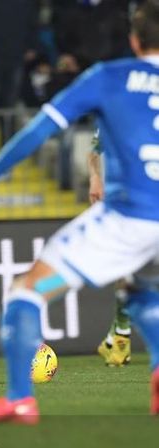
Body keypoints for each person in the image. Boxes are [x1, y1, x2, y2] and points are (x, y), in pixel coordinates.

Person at [0, 0, 159, 425]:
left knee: (28, 293)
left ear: (133, 38)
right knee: (145, 291)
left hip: (129, 221)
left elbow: (43, 127)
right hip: (148, 236)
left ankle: (19, 399)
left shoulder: (110, 78)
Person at [88, 131, 132, 367]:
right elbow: (96, 148)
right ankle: (121, 337)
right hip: (127, 200)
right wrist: (95, 177)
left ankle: (114, 337)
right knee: (127, 267)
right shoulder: (121, 101)